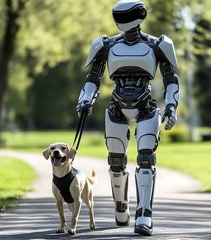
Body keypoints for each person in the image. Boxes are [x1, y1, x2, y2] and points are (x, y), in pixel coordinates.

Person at [76, 0, 179, 236]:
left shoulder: (156, 45)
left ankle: (144, 214)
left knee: (145, 159)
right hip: (117, 106)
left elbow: (170, 79)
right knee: (115, 162)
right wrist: (85, 99)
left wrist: (171, 106)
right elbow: (93, 77)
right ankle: (121, 207)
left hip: (146, 106)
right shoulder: (106, 45)